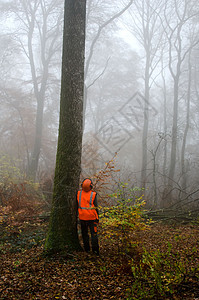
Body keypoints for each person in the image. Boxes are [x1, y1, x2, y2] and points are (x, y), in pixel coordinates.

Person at [77, 178, 99, 255]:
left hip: (82, 218)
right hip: (92, 218)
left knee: (84, 234)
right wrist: (97, 218)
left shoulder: (78, 194)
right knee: (94, 234)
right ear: (91, 186)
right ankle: (95, 251)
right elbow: (96, 207)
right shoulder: (93, 194)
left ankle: (87, 249)